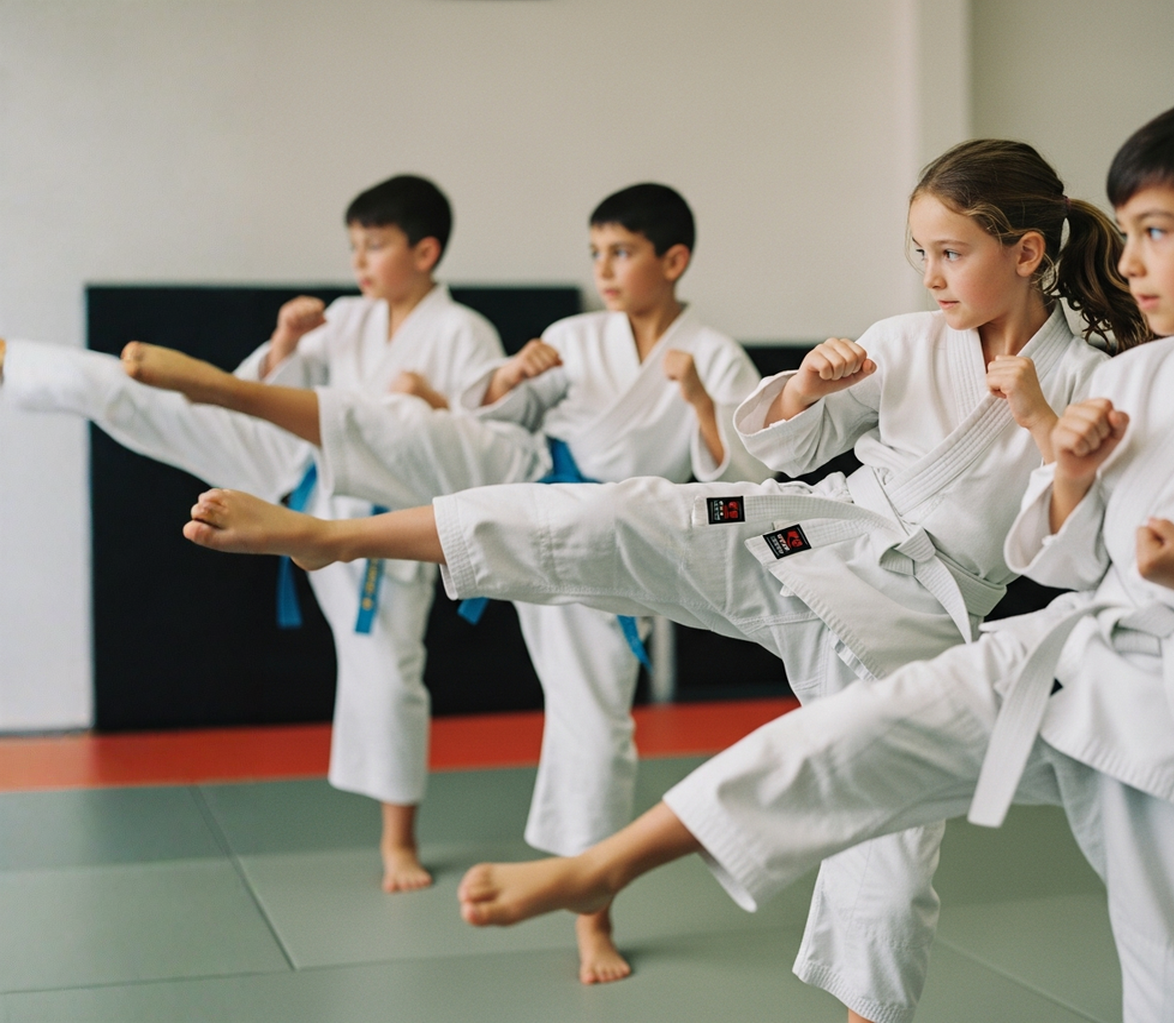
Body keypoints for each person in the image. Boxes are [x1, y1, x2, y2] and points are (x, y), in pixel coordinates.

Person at [336, 88, 1174, 1023]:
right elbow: (1022, 531)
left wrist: (1092, 477)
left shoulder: (1171, 377)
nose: (1129, 260)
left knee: (1155, 967)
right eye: (1125, 234)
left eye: (1156, 231)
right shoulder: (1041, 362)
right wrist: (805, 387)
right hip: (863, 557)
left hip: (1129, 686)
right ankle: (596, 850)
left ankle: (761, 945)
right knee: (668, 555)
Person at [172, 139, 1148, 1023]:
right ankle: (339, 534)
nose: (930, 277)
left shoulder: (1098, 373)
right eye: (919, 254)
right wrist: (806, 387)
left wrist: (1037, 429)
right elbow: (773, 452)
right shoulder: (901, 339)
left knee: (883, 852)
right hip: (810, 532)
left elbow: (1062, 558)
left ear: (1024, 253)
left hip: (917, 621)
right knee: (627, 512)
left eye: (950, 254)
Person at [119, 182, 773, 984]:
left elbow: (740, 476)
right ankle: (244, 405)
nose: (603, 269)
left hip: (612, 542)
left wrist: (702, 402)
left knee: (594, 722)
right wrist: (508, 379)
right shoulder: (572, 334)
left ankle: (591, 913)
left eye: (622, 252)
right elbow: (491, 414)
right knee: (422, 431)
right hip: (531, 481)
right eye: (595, 252)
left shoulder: (715, 357)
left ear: (673, 261)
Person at [0, 175, 505, 894]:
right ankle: (20, 360)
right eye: (354, 246)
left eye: (377, 245)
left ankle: (399, 839)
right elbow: (268, 388)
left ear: (425, 252)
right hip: (297, 467)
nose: (360, 261)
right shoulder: (348, 318)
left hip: (374, 522)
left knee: (390, 678)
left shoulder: (465, 333)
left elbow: (479, 440)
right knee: (158, 402)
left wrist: (427, 401)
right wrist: (286, 341)